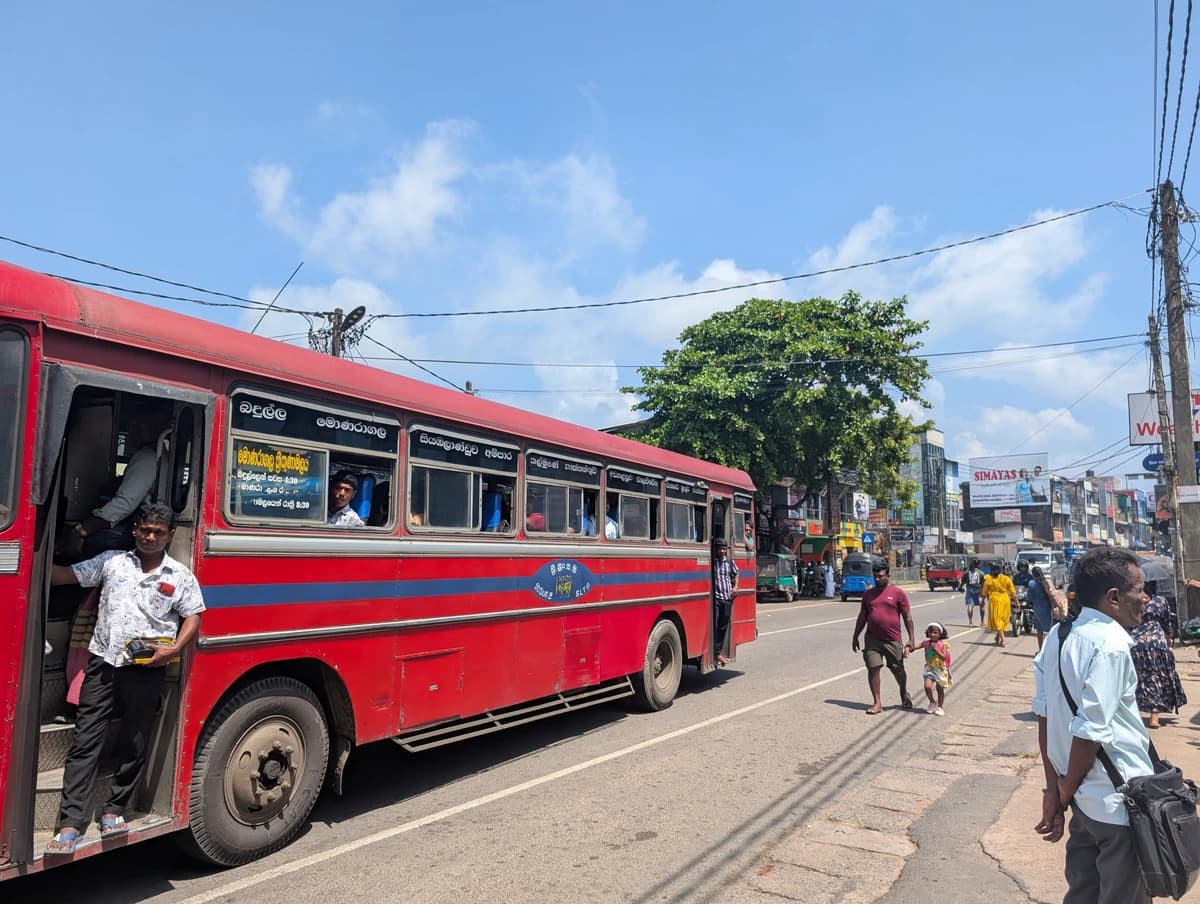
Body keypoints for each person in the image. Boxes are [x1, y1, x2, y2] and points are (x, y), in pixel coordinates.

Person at [44, 503, 205, 855]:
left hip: (146, 669)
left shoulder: (179, 575)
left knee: (134, 742)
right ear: (135, 530)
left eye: (157, 532)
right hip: (102, 664)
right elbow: (65, 576)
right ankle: (71, 823)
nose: (149, 537)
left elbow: (192, 615)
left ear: (169, 536)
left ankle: (114, 809)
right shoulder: (112, 562)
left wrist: (173, 649)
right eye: (144, 530)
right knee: (86, 743)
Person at [1032, 546, 1153, 904]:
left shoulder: (1058, 636)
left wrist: (1054, 789)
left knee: (1083, 892)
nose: (1145, 599)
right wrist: (1062, 793)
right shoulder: (1111, 644)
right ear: (1114, 598)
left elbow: (1045, 716)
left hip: (1083, 802)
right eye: (1140, 589)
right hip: (1117, 803)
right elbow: (1090, 732)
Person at [71, 406, 169, 557]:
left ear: (155, 429)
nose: (132, 431)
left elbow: (125, 504)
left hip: (136, 527)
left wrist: (82, 529)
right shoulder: (161, 457)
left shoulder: (147, 457)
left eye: (139, 425)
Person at [851, 562, 915, 714]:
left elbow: (907, 617)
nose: (878, 579)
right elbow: (862, 616)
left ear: (887, 574)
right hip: (872, 638)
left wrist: (911, 639)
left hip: (892, 639)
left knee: (897, 669)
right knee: (873, 668)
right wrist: (855, 636)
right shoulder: (868, 594)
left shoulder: (898, 593)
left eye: (881, 576)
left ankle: (903, 692)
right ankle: (877, 703)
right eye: (875, 576)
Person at [1131, 581, 1186, 730]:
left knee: (1137, 679)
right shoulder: (1160, 601)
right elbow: (1166, 621)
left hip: (1136, 644)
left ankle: (1133, 714)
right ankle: (1154, 716)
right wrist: (1168, 636)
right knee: (1156, 677)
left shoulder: (1132, 600)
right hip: (1157, 644)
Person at [906, 621, 952, 715]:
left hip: (940, 669)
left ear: (940, 634)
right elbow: (915, 647)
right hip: (930, 668)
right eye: (931, 632)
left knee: (940, 689)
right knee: (927, 686)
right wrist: (908, 648)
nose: (933, 634)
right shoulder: (926, 643)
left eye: (935, 633)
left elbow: (943, 657)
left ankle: (940, 707)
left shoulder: (942, 644)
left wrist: (936, 649)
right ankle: (932, 702)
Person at [712, 539, 739, 667]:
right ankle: (716, 653)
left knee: (723, 627)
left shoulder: (729, 562)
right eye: (719, 549)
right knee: (715, 625)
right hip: (716, 599)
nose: (722, 551)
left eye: (724, 549)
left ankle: (719, 652)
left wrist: (735, 587)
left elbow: (737, 573)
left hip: (727, 599)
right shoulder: (713, 562)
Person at [983, 561, 1016, 647]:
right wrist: (1017, 602)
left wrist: (981, 601)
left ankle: (1003, 640)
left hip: (995, 601)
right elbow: (1013, 592)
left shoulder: (988, 579)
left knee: (997, 620)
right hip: (1006, 600)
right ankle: (998, 637)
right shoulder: (1006, 578)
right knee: (1003, 620)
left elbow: (984, 593)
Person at [1025, 565, 1054, 650]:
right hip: (1048, 608)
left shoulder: (1032, 584)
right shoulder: (1047, 582)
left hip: (1037, 608)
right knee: (1050, 630)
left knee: (1039, 631)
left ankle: (1041, 649)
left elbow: (1030, 598)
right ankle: (1050, 649)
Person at [961, 558, 984, 627]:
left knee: (970, 605)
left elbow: (962, 581)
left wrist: (960, 587)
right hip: (979, 591)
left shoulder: (967, 572)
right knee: (981, 605)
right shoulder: (981, 573)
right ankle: (982, 622)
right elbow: (984, 582)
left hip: (970, 590)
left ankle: (970, 622)